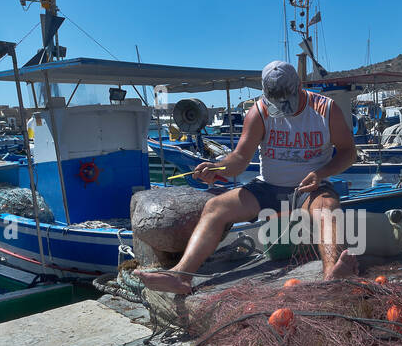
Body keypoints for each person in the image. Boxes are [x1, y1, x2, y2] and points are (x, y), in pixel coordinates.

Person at [137, 60, 359, 295]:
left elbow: (348, 152)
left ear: (300, 86)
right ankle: (181, 276)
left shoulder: (326, 109)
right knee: (216, 206)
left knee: (327, 208)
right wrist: (217, 168)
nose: (283, 107)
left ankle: (332, 276)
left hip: (311, 189)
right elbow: (240, 159)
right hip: (268, 188)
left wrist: (320, 173)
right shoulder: (260, 112)